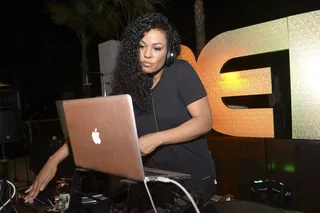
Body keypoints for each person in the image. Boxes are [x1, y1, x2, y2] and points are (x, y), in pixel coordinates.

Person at [25, 12, 216, 208]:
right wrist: (53, 160)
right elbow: (93, 128)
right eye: (141, 46)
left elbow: (204, 122)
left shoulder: (181, 72)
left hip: (193, 181)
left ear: (169, 53)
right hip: (154, 184)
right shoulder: (127, 86)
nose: (147, 54)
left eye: (157, 48)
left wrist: (156, 139)